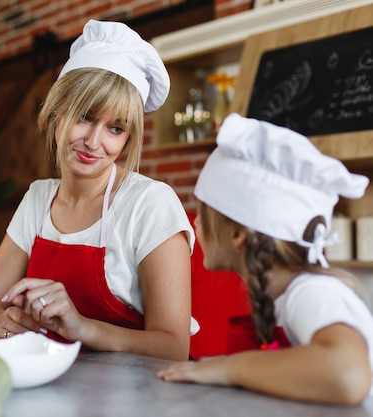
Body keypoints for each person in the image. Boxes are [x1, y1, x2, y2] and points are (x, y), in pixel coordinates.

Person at [0, 19, 195, 360]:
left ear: (127, 139)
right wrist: (2, 321)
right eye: (84, 117)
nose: (93, 142)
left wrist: (83, 328)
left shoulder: (150, 204)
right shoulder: (39, 199)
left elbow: (173, 346)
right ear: (57, 114)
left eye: (115, 128)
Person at [158, 113, 373, 405]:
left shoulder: (310, 293)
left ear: (236, 234)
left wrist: (228, 368)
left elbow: (347, 375)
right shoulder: (282, 297)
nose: (195, 224)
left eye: (202, 213)